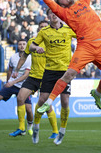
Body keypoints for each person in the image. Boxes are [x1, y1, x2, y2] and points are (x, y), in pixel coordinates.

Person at [28, 9, 76, 145]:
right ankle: (36, 127)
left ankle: (62, 131)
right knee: (42, 100)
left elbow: (83, 38)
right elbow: (31, 45)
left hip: (65, 71)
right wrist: (36, 48)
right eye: (51, 13)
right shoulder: (44, 32)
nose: (54, 15)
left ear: (60, 16)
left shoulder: (68, 30)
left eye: (56, 13)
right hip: (49, 70)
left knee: (65, 101)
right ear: (48, 16)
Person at [9, 20, 59, 139]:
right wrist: (16, 69)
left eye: (45, 27)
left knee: (46, 106)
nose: (42, 28)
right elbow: (24, 56)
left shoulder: (52, 43)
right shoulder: (32, 42)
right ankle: (21, 128)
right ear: (38, 29)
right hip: (33, 76)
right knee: (20, 97)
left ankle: (55, 131)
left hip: (46, 77)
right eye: (41, 27)